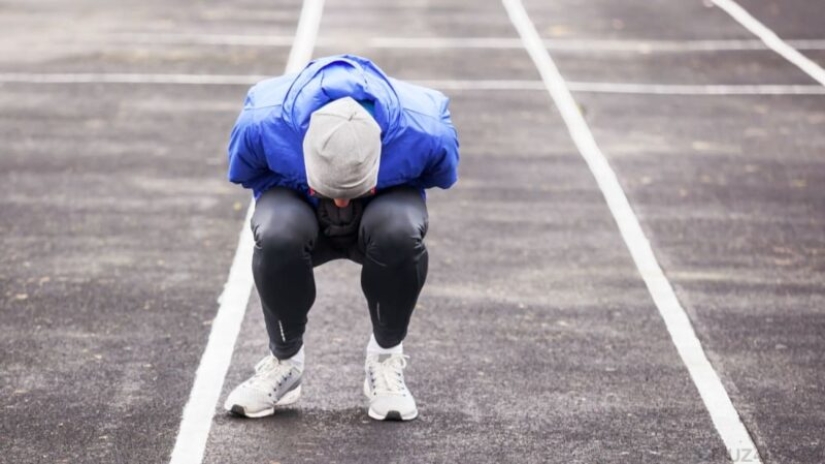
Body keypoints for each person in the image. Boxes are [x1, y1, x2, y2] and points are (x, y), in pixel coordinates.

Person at [222, 54, 459, 421]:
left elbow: (441, 176)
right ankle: (284, 361)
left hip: (382, 200)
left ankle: (384, 358)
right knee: (277, 232)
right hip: (299, 197)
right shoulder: (262, 121)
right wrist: (306, 191)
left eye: (349, 188)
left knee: (399, 231)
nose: (342, 202)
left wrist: (378, 191)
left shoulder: (425, 129)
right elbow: (247, 173)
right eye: (334, 189)